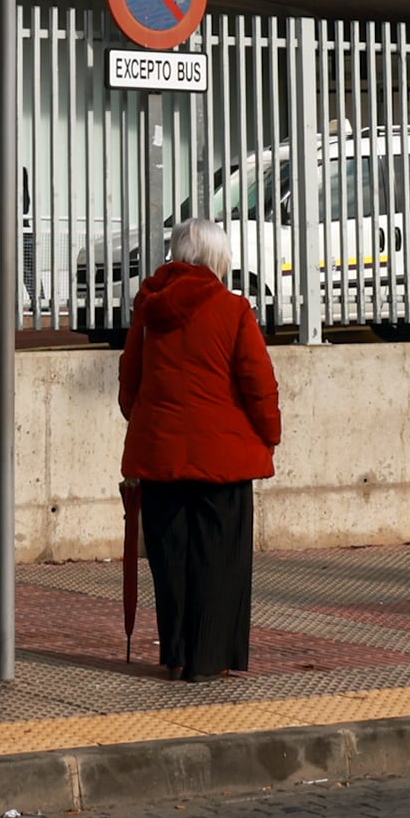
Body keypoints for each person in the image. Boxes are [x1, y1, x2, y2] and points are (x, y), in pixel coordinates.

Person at [118, 218, 281, 680]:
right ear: (217, 260)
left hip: (161, 457)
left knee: (171, 563)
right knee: (220, 561)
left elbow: (129, 384)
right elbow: (258, 383)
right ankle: (211, 659)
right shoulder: (233, 310)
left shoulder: (148, 310)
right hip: (223, 463)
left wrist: (152, 425)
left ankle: (177, 654)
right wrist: (269, 434)